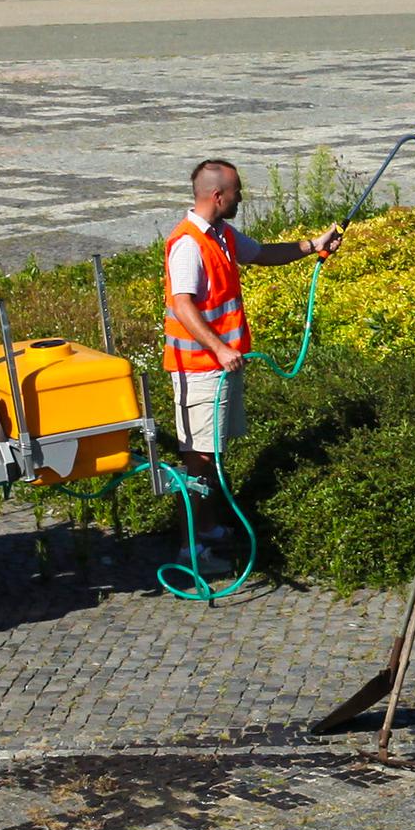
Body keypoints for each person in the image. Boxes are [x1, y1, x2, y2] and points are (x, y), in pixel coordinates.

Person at [161, 160, 341, 577]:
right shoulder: (188, 243)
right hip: (200, 367)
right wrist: (220, 349)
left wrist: (313, 245)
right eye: (238, 191)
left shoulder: (221, 235)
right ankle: (193, 546)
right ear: (217, 196)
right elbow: (182, 305)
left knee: (213, 452)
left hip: (220, 368)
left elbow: (261, 254)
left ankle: (208, 529)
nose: (242, 197)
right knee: (200, 458)